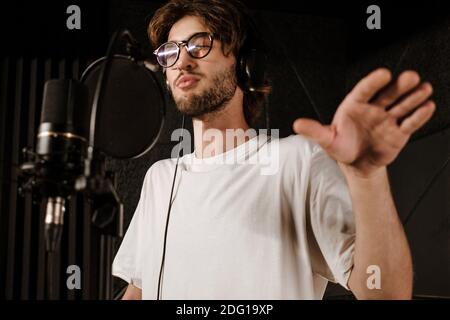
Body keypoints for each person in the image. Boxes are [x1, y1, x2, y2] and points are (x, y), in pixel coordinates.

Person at [112, 0, 435, 300]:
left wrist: (367, 175)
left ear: (244, 65)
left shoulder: (297, 159)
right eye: (169, 52)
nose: (182, 60)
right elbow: (138, 289)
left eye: (199, 44)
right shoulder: (161, 178)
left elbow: (384, 292)